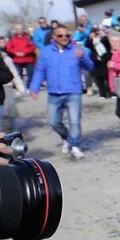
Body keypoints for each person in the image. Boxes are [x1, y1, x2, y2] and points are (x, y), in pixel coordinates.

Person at [28, 26, 93, 159]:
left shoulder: (77, 50)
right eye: (60, 36)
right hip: (54, 93)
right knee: (53, 122)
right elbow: (40, 71)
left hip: (73, 91)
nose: (64, 38)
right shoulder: (46, 52)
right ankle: (66, 138)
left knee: (74, 121)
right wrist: (34, 87)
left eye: (67, 36)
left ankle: (75, 146)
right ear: (53, 37)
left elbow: (90, 66)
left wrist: (82, 58)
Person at [84, 27, 112, 99]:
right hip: (97, 60)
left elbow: (109, 43)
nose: (96, 33)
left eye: (97, 31)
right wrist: (90, 37)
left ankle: (111, 93)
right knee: (99, 78)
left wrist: (103, 35)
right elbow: (86, 45)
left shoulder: (103, 38)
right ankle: (102, 94)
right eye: (94, 32)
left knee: (108, 76)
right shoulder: (91, 41)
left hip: (106, 58)